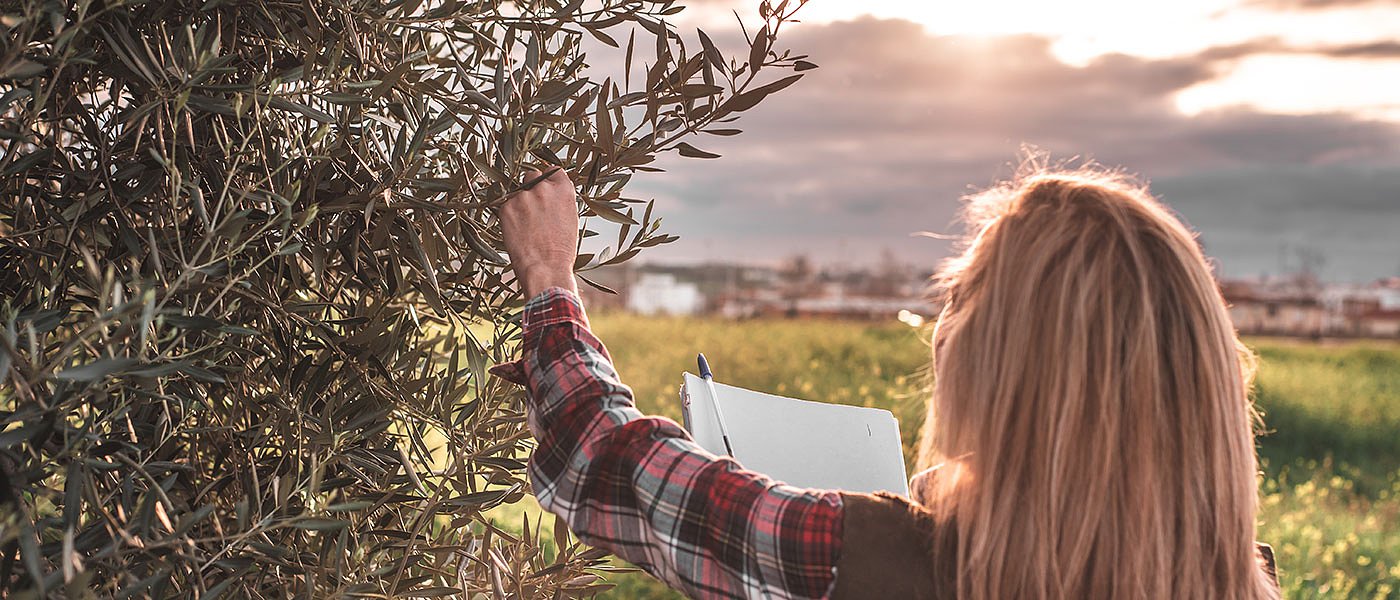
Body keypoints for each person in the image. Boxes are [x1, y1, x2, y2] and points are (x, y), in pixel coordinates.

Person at [490, 166, 1281, 599]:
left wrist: (550, 277)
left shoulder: (883, 562)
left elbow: (613, 468)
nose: (943, 329)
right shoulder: (1244, 577)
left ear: (1012, 373)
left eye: (963, 301)